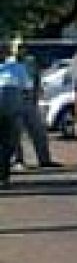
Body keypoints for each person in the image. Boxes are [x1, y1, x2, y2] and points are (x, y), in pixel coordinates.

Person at [8, 39, 56, 169]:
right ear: (12, 49)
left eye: (22, 47)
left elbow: (36, 78)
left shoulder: (31, 62)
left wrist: (36, 95)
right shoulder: (8, 64)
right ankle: (18, 160)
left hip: (29, 99)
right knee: (15, 132)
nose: (20, 50)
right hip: (15, 98)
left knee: (38, 130)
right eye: (17, 47)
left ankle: (44, 159)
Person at [0, 47, 27, 187]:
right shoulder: (18, 68)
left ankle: (4, 174)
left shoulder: (18, 68)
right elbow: (25, 87)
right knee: (7, 142)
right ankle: (4, 175)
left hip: (10, 109)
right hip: (11, 108)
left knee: (7, 142)